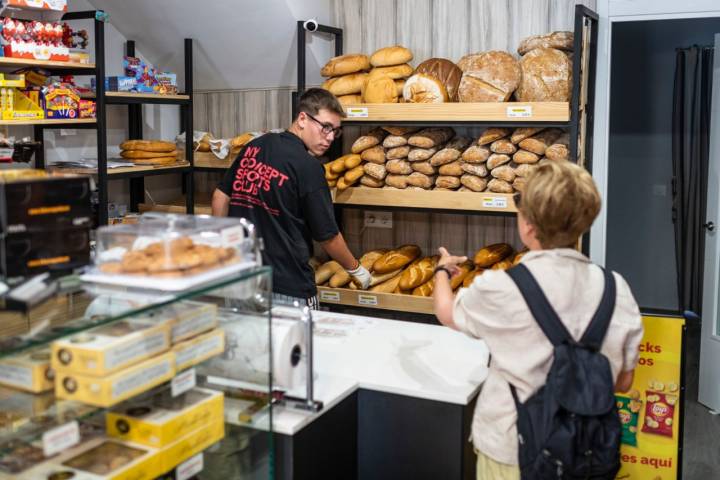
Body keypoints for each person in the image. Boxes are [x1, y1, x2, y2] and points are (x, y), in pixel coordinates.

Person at [432, 161, 644, 479]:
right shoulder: (616, 289)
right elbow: (623, 381)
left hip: (510, 448)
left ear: (529, 225)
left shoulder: (503, 286)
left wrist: (441, 271)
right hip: (584, 451)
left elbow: (447, 313)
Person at [211, 88, 370, 308]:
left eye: (335, 131)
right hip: (288, 288)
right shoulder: (309, 168)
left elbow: (220, 196)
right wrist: (355, 268)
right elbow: (328, 236)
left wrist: (224, 250)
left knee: (248, 342)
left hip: (242, 280)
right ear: (302, 118)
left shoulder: (254, 147)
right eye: (325, 127)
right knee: (297, 343)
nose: (331, 137)